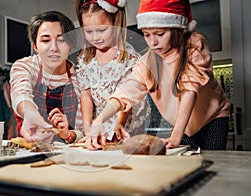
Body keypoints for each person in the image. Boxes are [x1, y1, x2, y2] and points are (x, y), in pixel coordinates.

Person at [89, 0, 230, 150]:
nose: (152, 42)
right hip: (181, 124)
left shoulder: (194, 46)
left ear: (176, 29)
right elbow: (126, 92)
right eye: (146, 35)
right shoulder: (148, 61)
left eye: (159, 34)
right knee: (187, 163)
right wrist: (99, 120)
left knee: (211, 161)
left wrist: (176, 136)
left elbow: (189, 91)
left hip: (213, 120)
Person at [75, 0, 150, 150]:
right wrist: (88, 128)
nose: (95, 37)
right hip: (99, 124)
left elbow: (126, 98)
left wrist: (118, 127)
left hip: (125, 124)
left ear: (116, 23)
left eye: (102, 30)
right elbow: (86, 94)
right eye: (89, 32)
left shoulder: (128, 58)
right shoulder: (85, 58)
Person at [10, 11, 83, 144]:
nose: (54, 48)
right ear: (35, 46)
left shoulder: (81, 78)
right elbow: (21, 93)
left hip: (68, 153)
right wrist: (30, 114)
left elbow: (83, 131)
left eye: (61, 40)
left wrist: (68, 134)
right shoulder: (25, 66)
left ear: (71, 45)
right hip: (30, 150)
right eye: (45, 40)